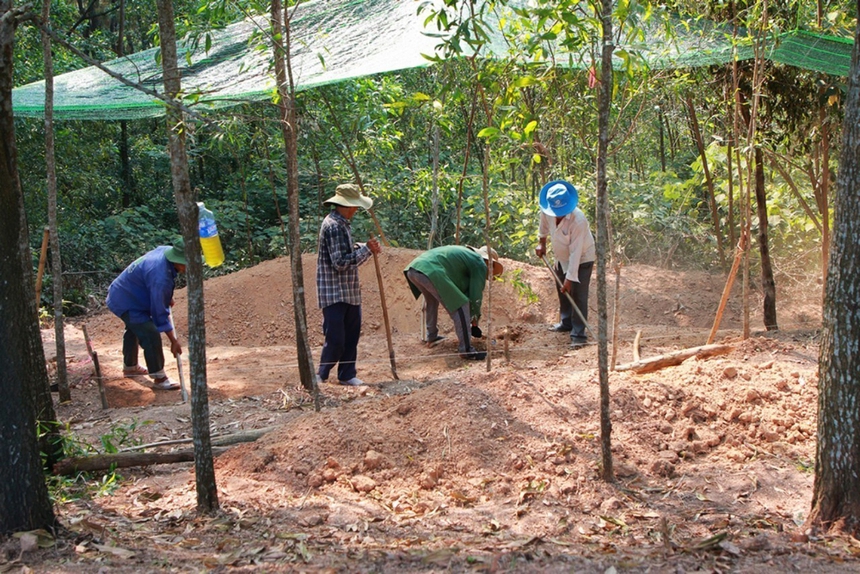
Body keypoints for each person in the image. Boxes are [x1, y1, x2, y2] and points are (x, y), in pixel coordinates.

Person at [316, 183, 381, 386]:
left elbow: (346, 250)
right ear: (348, 205)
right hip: (335, 292)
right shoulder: (333, 226)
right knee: (336, 338)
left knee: (351, 336)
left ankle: (346, 374)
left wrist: (362, 247)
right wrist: (366, 250)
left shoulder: (342, 224)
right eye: (355, 206)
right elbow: (340, 263)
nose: (356, 209)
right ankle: (321, 374)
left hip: (349, 291)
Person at [106, 245, 186, 390]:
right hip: (126, 299)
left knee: (135, 328)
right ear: (178, 261)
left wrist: (166, 296)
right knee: (150, 332)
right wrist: (173, 341)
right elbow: (159, 314)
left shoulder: (165, 251)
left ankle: (130, 367)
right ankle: (159, 377)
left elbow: (155, 284)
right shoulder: (161, 278)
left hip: (126, 292)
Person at [404, 245, 503, 361]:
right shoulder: (479, 262)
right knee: (461, 305)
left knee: (431, 301)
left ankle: (432, 337)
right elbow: (476, 295)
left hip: (414, 269)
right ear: (488, 262)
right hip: (431, 271)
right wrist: (475, 322)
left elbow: (461, 289)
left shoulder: (466, 257)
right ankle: (466, 350)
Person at [535, 180, 595, 349]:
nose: (558, 216)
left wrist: (570, 279)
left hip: (582, 257)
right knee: (562, 289)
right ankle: (566, 322)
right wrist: (542, 243)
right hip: (561, 256)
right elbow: (543, 226)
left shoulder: (578, 220)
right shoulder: (547, 210)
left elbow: (576, 253)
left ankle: (579, 334)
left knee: (578, 294)